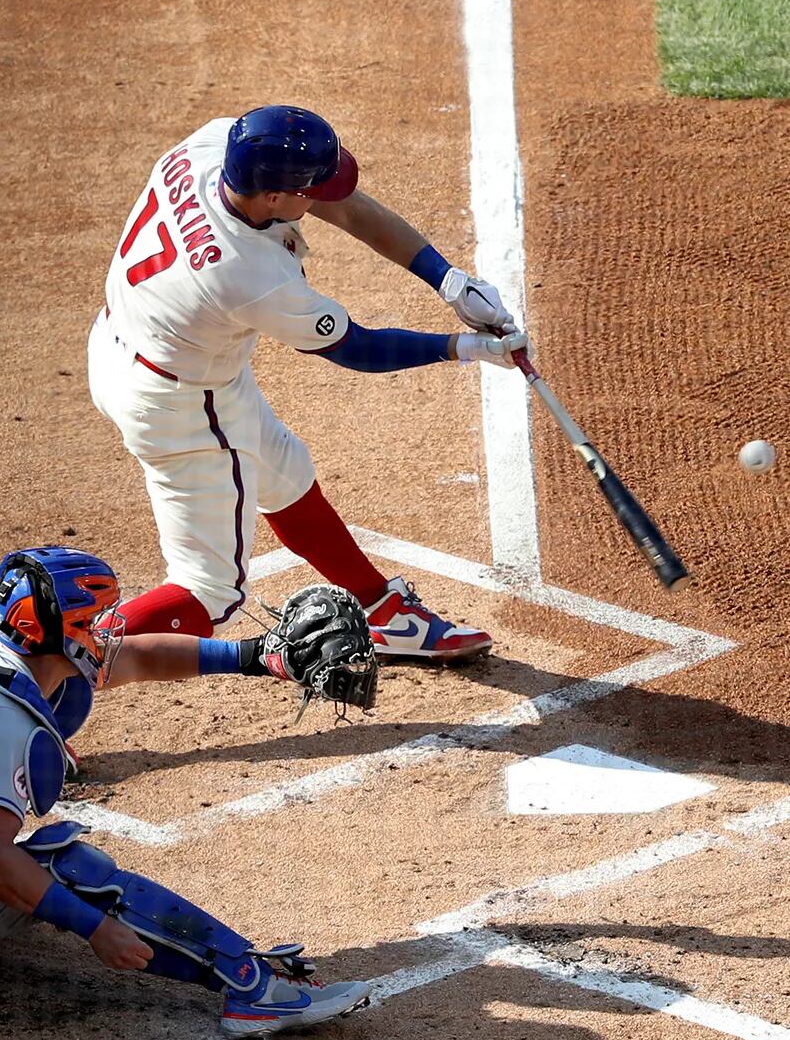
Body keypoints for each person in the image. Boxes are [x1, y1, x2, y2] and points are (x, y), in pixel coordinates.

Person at [0, 547, 379, 1038]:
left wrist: (256, 657)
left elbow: (138, 657)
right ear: (55, 629)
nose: (107, 630)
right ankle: (251, 989)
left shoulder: (2, 661)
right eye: (94, 620)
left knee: (55, 751)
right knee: (67, 870)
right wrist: (93, 927)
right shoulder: (3, 718)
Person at [88, 102, 525, 662]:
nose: (324, 194)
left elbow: (349, 210)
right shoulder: (250, 276)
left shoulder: (215, 145)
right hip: (177, 404)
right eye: (312, 185)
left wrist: (449, 281)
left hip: (130, 343)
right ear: (275, 197)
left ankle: (381, 611)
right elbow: (356, 349)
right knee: (209, 589)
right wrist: (467, 347)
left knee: (281, 470)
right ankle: (33, 663)